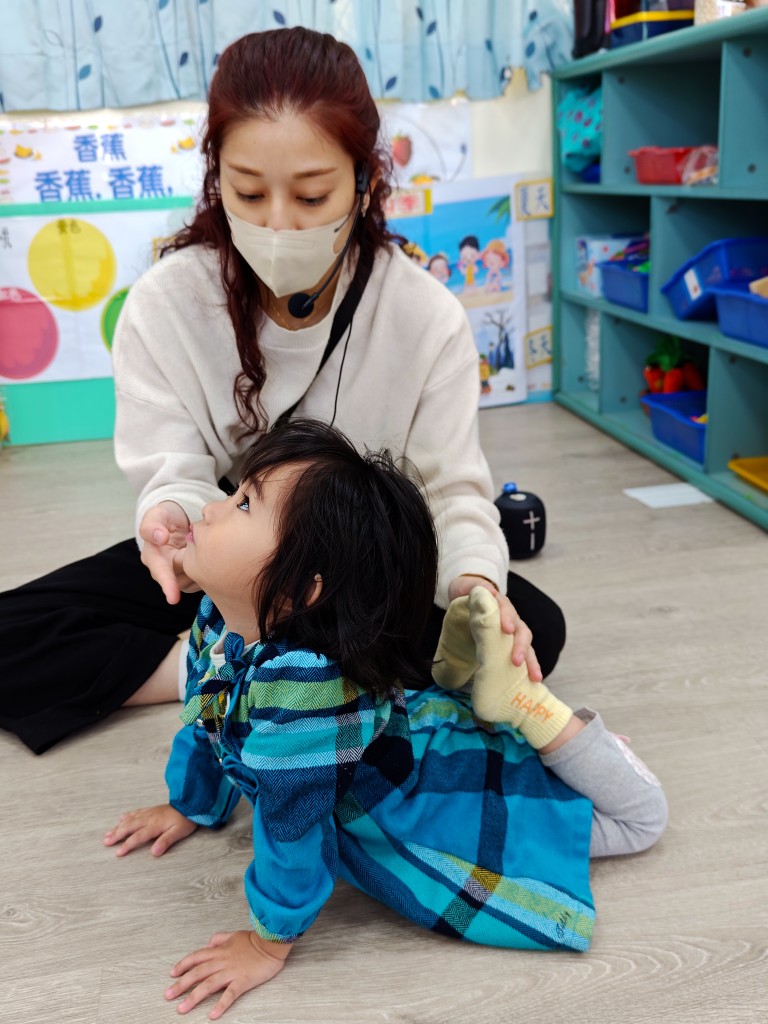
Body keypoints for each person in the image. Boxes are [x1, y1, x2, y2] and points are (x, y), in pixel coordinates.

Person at [0, 25, 565, 755]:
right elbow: (173, 470)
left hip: (354, 573)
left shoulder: (424, 316)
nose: (276, 224)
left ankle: (241, 669)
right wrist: (171, 519)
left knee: (529, 627)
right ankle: (227, 669)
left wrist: (474, 587)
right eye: (247, 191)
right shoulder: (168, 303)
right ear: (217, 179)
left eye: (311, 194)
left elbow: (450, 492)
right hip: (229, 554)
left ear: (364, 183)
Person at [104, 420, 667, 1021]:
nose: (211, 508)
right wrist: (190, 804)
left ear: (301, 586)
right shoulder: (220, 620)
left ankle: (534, 709)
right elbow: (207, 719)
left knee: (640, 819)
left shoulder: (303, 698)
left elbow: (293, 828)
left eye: (243, 504)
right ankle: (526, 716)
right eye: (235, 492)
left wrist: (269, 942)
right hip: (397, 743)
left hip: (417, 806)